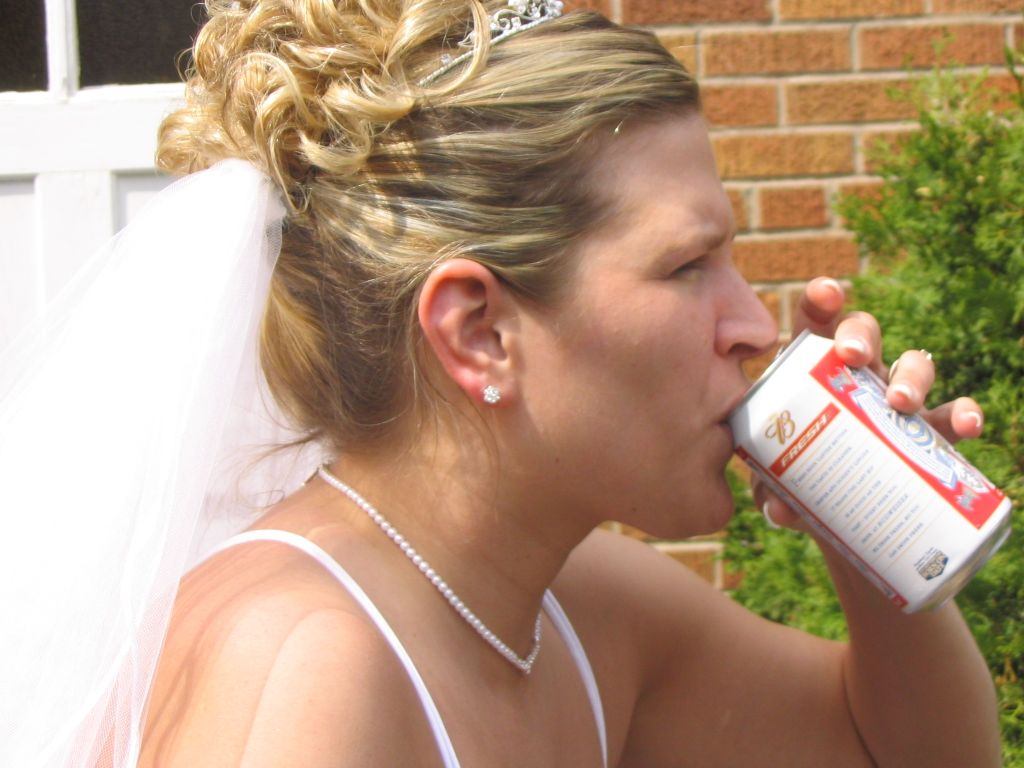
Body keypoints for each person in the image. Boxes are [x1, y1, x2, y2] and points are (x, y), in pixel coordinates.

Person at [0, 0, 1001, 766]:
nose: (750, 326)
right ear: (478, 333)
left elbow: (893, 753)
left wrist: (865, 519)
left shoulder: (574, 605)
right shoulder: (310, 667)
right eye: (687, 267)